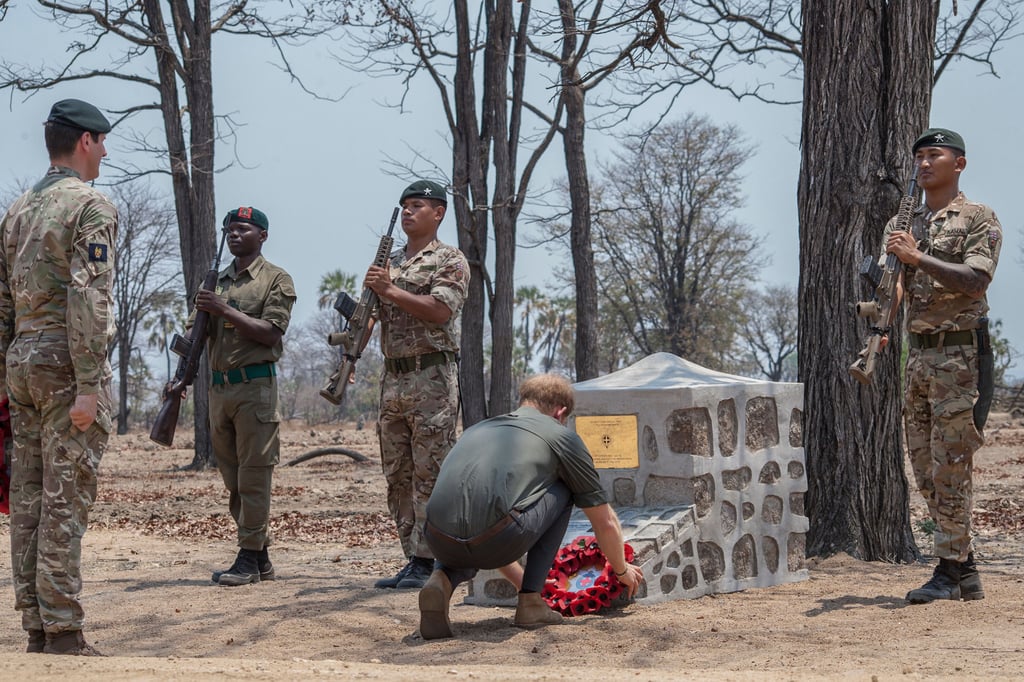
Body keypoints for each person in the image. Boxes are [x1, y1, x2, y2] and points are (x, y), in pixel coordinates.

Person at [0, 99, 117, 655]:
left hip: (21, 360)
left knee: (28, 496)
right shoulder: (90, 206)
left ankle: (36, 626)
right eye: (102, 141)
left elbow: (2, 304)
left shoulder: (18, 208)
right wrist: (90, 385)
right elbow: (89, 297)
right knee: (64, 498)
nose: (105, 152)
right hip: (65, 363)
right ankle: (64, 629)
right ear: (86, 141)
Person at [417, 373, 644, 640]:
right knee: (564, 487)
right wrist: (621, 570)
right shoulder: (562, 437)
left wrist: (522, 581)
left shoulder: (477, 429)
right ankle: (530, 605)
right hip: (497, 538)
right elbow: (605, 521)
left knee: (471, 521)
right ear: (560, 412)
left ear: (524, 401)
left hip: (437, 539)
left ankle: (440, 580)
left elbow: (485, 513)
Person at [881, 128, 1001, 604]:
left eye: (935, 155)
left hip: (961, 357)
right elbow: (897, 282)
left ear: (959, 164)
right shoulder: (904, 221)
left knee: (952, 465)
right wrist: (884, 309)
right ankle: (966, 568)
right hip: (919, 354)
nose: (924, 163)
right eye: (919, 157)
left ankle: (948, 572)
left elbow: (976, 279)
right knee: (925, 468)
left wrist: (917, 256)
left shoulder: (978, 217)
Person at [364, 180, 469, 590]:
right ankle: (413, 558)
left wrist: (389, 289)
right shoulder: (388, 261)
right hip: (394, 377)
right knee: (399, 473)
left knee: (431, 472)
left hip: (432, 378)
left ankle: (435, 559)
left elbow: (441, 310)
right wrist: (352, 350)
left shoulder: (450, 259)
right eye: (405, 206)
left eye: (417, 205)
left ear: (438, 213)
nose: (408, 212)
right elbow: (371, 312)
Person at [197, 206, 296, 586]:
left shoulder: (275, 279)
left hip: (255, 389)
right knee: (234, 480)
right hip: (219, 388)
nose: (234, 234)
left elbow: (271, 332)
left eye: (242, 229)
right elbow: (198, 336)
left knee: (254, 475)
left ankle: (247, 556)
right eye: (229, 230)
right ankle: (260, 557)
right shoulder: (216, 281)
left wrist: (224, 309)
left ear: (262, 236)